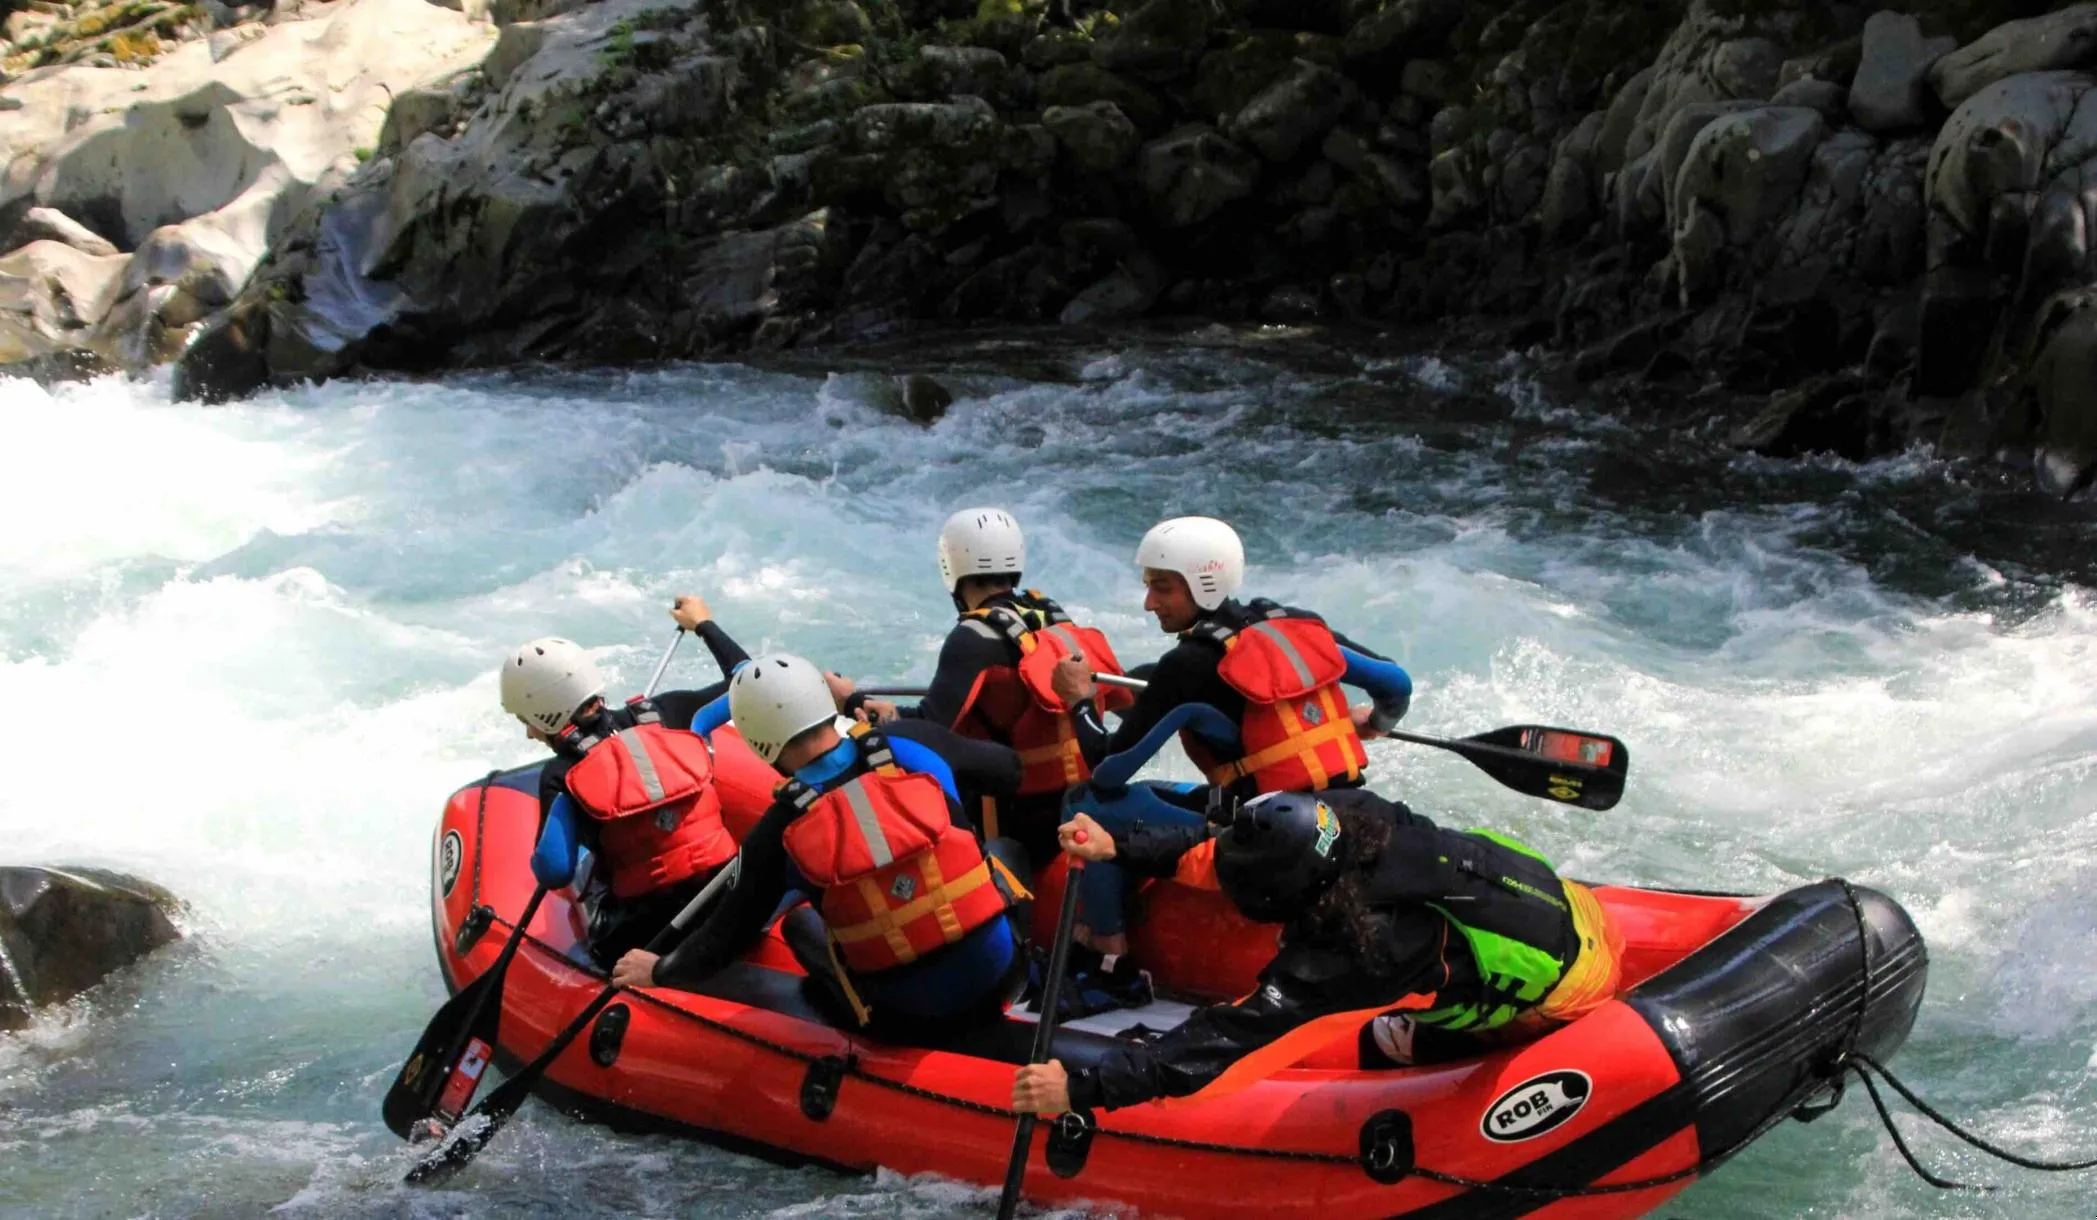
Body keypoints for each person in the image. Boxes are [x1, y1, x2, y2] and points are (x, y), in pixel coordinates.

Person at [1009, 789, 1625, 1116]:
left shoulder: (1365, 950)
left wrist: (1084, 1090)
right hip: (1573, 908)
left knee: (1376, 1041)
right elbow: (1221, 848)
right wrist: (1122, 845)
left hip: (1568, 996)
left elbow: (1230, 1039)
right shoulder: (1348, 815)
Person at [611, 653, 1032, 1039]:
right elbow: (1009, 772)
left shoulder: (779, 829)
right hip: (1007, 980)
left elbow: (722, 941)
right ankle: (1043, 970)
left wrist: (661, 970)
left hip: (906, 1021)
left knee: (796, 924)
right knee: (1006, 849)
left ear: (757, 741)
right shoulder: (913, 741)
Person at [1050, 516, 1415, 957]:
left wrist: (1080, 701)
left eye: (1163, 587)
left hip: (1272, 844)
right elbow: (1396, 684)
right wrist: (1374, 723)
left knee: (1089, 803)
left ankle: (1104, 957)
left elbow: (1105, 772)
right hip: (1343, 817)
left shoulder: (1187, 666)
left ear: (1203, 584)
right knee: (1159, 792)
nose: (1149, 603)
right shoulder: (1296, 626)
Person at [852, 507, 1133, 871]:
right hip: (1085, 798)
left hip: (1018, 812)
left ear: (951, 567)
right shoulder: (1053, 619)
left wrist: (858, 704)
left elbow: (931, 728)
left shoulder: (973, 638)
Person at [499, 596, 748, 968]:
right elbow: (748, 679)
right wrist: (703, 624)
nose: (530, 734)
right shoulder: (668, 714)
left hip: (649, 935)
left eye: (527, 721)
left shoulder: (562, 774)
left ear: (543, 715)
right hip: (730, 903)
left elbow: (553, 870)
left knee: (585, 878)